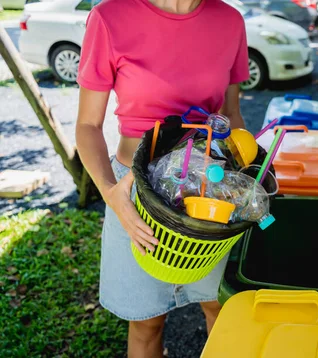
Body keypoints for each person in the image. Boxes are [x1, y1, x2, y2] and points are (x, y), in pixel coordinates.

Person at [75, 0, 249, 355]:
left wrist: (247, 182)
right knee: (146, 321)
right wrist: (112, 194)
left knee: (220, 307)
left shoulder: (230, 22)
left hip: (206, 188)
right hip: (135, 193)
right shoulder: (109, 17)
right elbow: (87, 125)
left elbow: (231, 115)